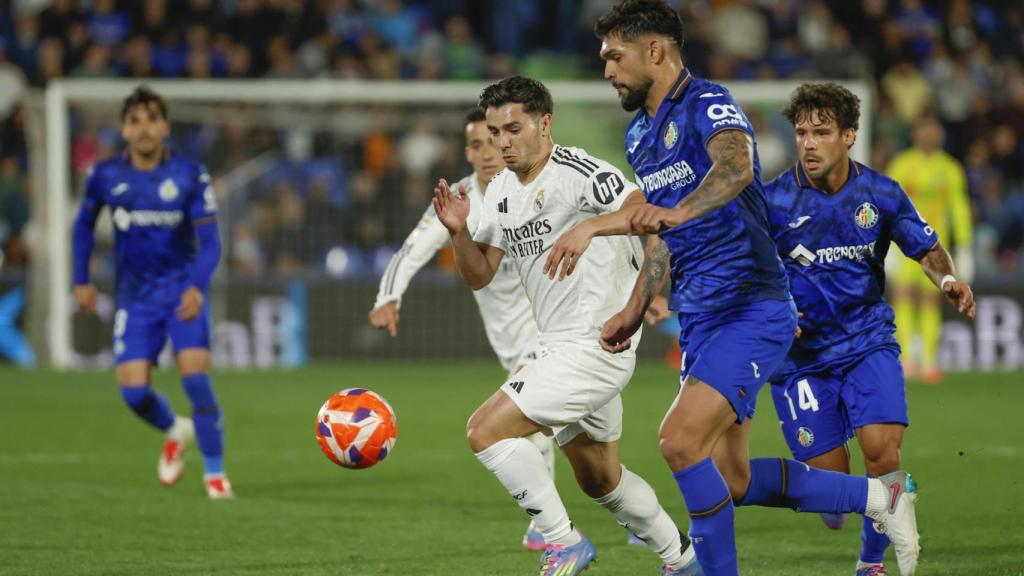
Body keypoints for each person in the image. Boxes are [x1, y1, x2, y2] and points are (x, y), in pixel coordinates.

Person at [542, 2, 921, 574]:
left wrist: (665, 213)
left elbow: (736, 167)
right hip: (701, 315)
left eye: (615, 57)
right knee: (732, 478)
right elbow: (665, 233)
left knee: (677, 441)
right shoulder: (641, 134)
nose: (608, 71)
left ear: (654, 52)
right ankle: (879, 497)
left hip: (749, 305)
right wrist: (635, 303)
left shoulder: (706, 102)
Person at [433, 75, 700, 576]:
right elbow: (478, 274)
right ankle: (683, 560)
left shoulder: (580, 173)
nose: (503, 143)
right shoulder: (502, 191)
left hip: (595, 343)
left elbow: (653, 221)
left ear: (544, 122)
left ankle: (563, 542)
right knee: (602, 480)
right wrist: (459, 231)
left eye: (513, 129)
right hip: (560, 346)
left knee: (484, 431)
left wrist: (640, 301)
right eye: (494, 133)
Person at [764, 82, 976, 576]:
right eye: (801, 133)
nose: (809, 143)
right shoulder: (772, 201)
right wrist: (774, 308)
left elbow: (924, 246)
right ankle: (847, 507)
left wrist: (945, 277)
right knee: (833, 503)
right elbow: (748, 268)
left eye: (821, 132)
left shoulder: (880, 192)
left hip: (866, 341)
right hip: (801, 361)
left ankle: (869, 565)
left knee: (883, 455)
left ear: (849, 136)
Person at [368, 107, 555, 550]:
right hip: (506, 336)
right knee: (578, 436)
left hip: (552, 324)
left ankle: (549, 527)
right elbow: (413, 248)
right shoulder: (456, 198)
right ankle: (640, 523)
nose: (486, 152)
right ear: (466, 151)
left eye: (492, 140)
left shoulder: (539, 183)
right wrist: (387, 295)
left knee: (530, 421)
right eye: (475, 144)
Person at [72, 86, 230, 500]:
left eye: (151, 119)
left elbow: (210, 242)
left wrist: (197, 286)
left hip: (182, 293)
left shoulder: (189, 175)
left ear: (165, 126)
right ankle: (174, 430)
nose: (144, 128)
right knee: (134, 392)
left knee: (196, 379)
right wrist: (81, 280)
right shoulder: (104, 175)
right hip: (135, 296)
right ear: (124, 129)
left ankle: (216, 476)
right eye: (135, 120)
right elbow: (83, 227)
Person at [885, 116, 974, 383]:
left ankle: (929, 360)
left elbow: (958, 207)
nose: (929, 135)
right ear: (915, 133)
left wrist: (964, 245)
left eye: (933, 130)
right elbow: (887, 204)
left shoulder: (949, 168)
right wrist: (886, 244)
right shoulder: (901, 164)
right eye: (924, 129)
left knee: (930, 297)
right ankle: (907, 358)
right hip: (903, 244)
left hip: (936, 246)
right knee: (902, 295)